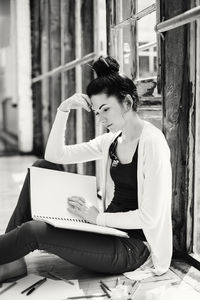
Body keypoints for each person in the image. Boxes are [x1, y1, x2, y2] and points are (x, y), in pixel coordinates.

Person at [0, 56, 172, 283]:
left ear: (128, 103)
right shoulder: (113, 140)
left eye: (105, 110)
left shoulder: (152, 142)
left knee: (34, 231)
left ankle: (8, 257)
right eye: (96, 112)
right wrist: (64, 109)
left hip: (133, 247)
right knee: (42, 167)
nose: (100, 119)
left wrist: (98, 217)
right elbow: (54, 155)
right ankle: (9, 259)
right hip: (105, 229)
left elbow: (149, 218)